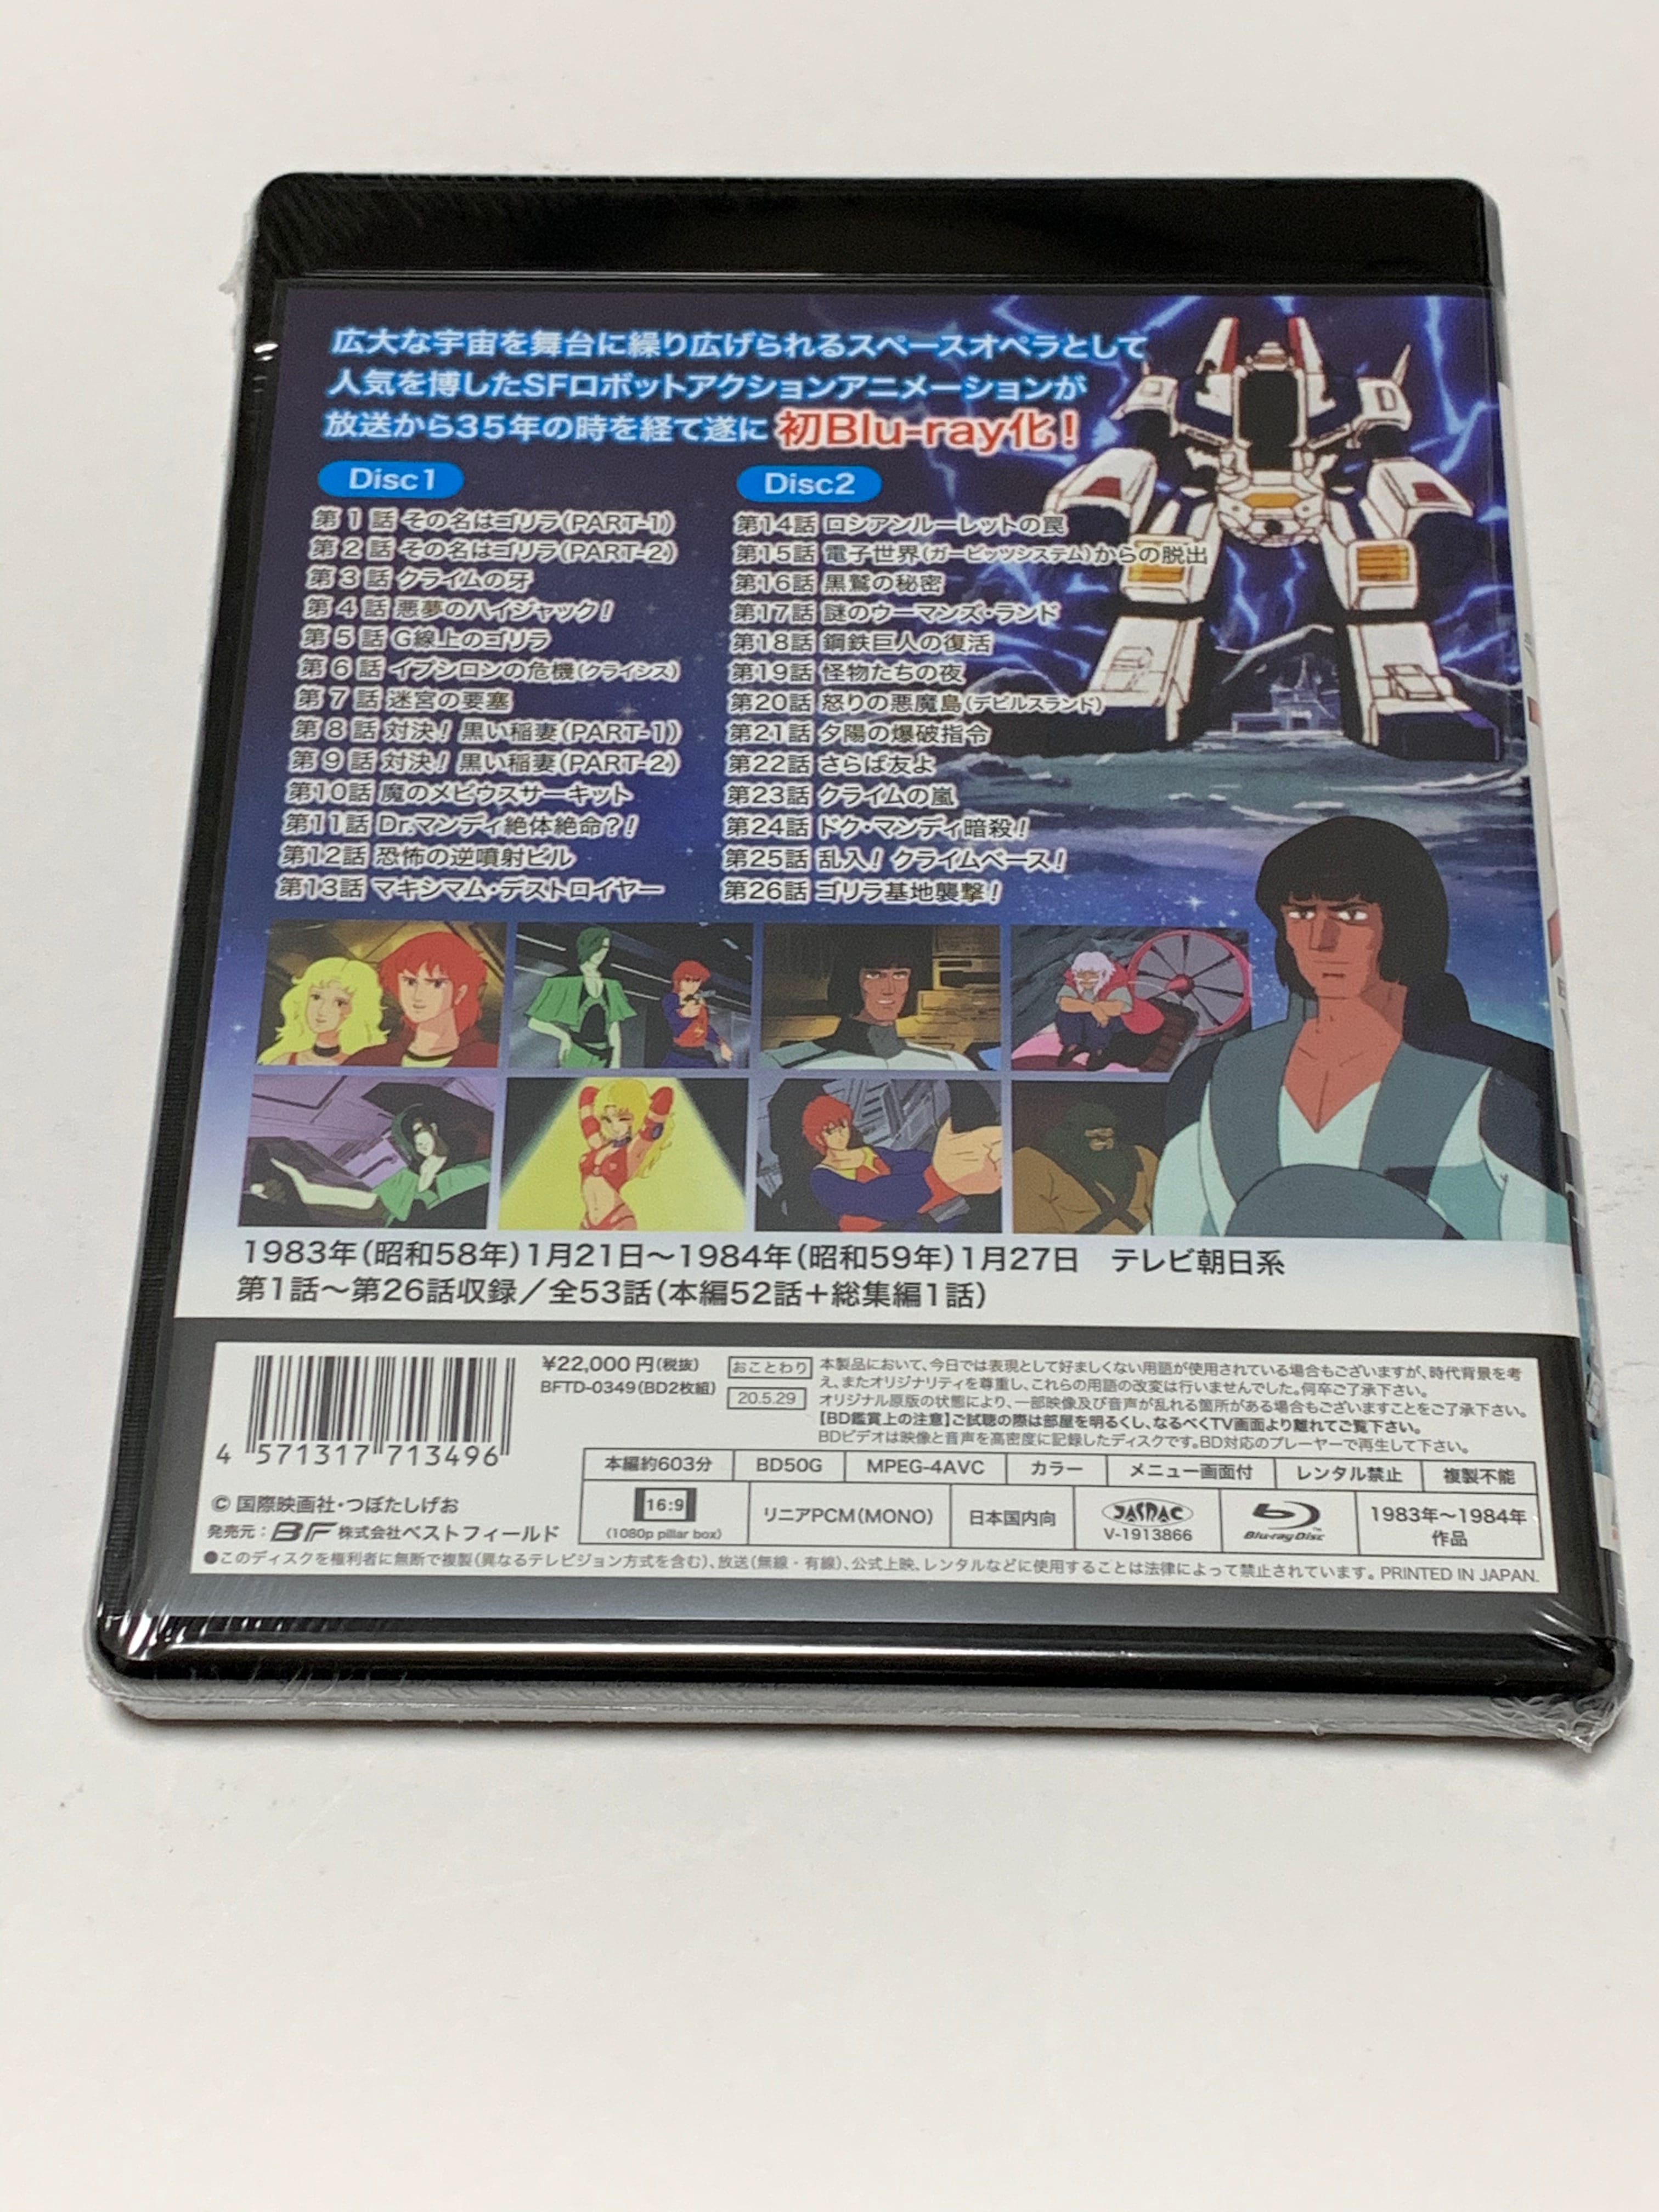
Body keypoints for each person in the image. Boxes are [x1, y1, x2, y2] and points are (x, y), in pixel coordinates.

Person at [1152, 816, 1567, 1239]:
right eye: (1301, 913)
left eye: (1350, 914)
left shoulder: (1504, 1074)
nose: (1320, 940)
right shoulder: (1216, 1074)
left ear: (1404, 922)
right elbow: (1174, 1237)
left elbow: (1544, 1243)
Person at [261, 1095, 490, 1228]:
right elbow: (371, 1206)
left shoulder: (479, 1169)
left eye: (418, 1131)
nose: (418, 1141)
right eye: (410, 1138)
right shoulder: (405, 1179)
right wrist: (306, 1191)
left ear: (434, 1128)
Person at [766, 929, 977, 1069]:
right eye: (875, 975)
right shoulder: (783, 1064)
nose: (890, 989)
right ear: (850, 980)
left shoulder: (953, 1065)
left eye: (900, 975)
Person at [802, 1092, 1001, 1233]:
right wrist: (940, 1177)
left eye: (842, 1126)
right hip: (881, 1240)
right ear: (819, 1138)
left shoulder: (869, 1152)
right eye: (831, 1131)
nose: (840, 1135)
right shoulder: (822, 1178)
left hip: (916, 1221)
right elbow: (873, 1200)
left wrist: (955, 1163)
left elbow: (912, 1162)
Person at [343, 930, 495, 1066]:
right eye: (410, 982)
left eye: (436, 984)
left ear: (460, 993)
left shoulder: (489, 1059)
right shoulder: (369, 1060)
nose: (418, 995)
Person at [1013, 1097, 1159, 1234]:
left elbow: (1165, 1213)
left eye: (1109, 1137)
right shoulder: (1033, 1163)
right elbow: (1036, 1233)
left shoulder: (1142, 1158)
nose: (1106, 1144)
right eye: (1097, 1137)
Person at [527, 928, 635, 1069]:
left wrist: (616, 1062)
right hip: (576, 1054)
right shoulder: (565, 982)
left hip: (604, 1055)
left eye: (605, 948)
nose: (601, 953)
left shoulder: (612, 985)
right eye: (597, 946)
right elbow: (535, 1022)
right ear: (586, 946)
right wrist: (564, 1036)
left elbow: (614, 1027)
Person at [577, 1079, 674, 1229]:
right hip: (588, 1222)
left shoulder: (632, 1151)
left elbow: (664, 1099)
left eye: (623, 1119)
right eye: (607, 1120)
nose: (614, 1127)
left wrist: (641, 1102)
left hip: (618, 1220)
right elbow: (587, 1108)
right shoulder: (600, 1145)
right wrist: (605, 1097)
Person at [258, 955, 388, 1065]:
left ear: (357, 1010)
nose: (322, 1010)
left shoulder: (362, 1064)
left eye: (339, 1003)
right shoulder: (282, 1061)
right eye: (316, 997)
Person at [1052, 949, 1165, 1070]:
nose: (1086, 979)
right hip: (1100, 1016)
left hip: (1136, 1027)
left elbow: (1118, 1007)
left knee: (1097, 1021)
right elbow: (1065, 1002)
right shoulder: (1077, 977)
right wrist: (1093, 1008)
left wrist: (1096, 1009)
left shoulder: (1116, 981)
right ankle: (1073, 1045)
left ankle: (1099, 1051)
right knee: (1066, 1015)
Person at [661, 958, 733, 1068]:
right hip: (679, 1055)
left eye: (697, 980)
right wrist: (684, 1013)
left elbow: (704, 1028)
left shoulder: (700, 1001)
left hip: (699, 1055)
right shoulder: (672, 999)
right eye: (688, 980)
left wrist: (721, 1044)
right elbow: (673, 1020)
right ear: (679, 980)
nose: (693, 985)